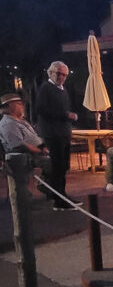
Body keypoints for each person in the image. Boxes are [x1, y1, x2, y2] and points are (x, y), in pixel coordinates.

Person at [35, 60, 82, 210]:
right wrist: (66, 115)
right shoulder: (46, 88)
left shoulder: (63, 90)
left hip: (63, 133)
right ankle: (59, 200)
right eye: (59, 73)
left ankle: (61, 195)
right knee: (57, 167)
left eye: (64, 75)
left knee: (63, 167)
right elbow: (42, 110)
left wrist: (69, 116)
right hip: (52, 134)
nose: (62, 77)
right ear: (51, 72)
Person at [0, 92, 52, 198]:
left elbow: (33, 137)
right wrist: (41, 151)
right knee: (53, 162)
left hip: (35, 152)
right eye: (19, 104)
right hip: (24, 156)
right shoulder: (8, 124)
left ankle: (49, 188)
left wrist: (43, 146)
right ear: (11, 105)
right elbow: (19, 145)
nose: (22, 106)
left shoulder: (20, 120)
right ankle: (44, 185)